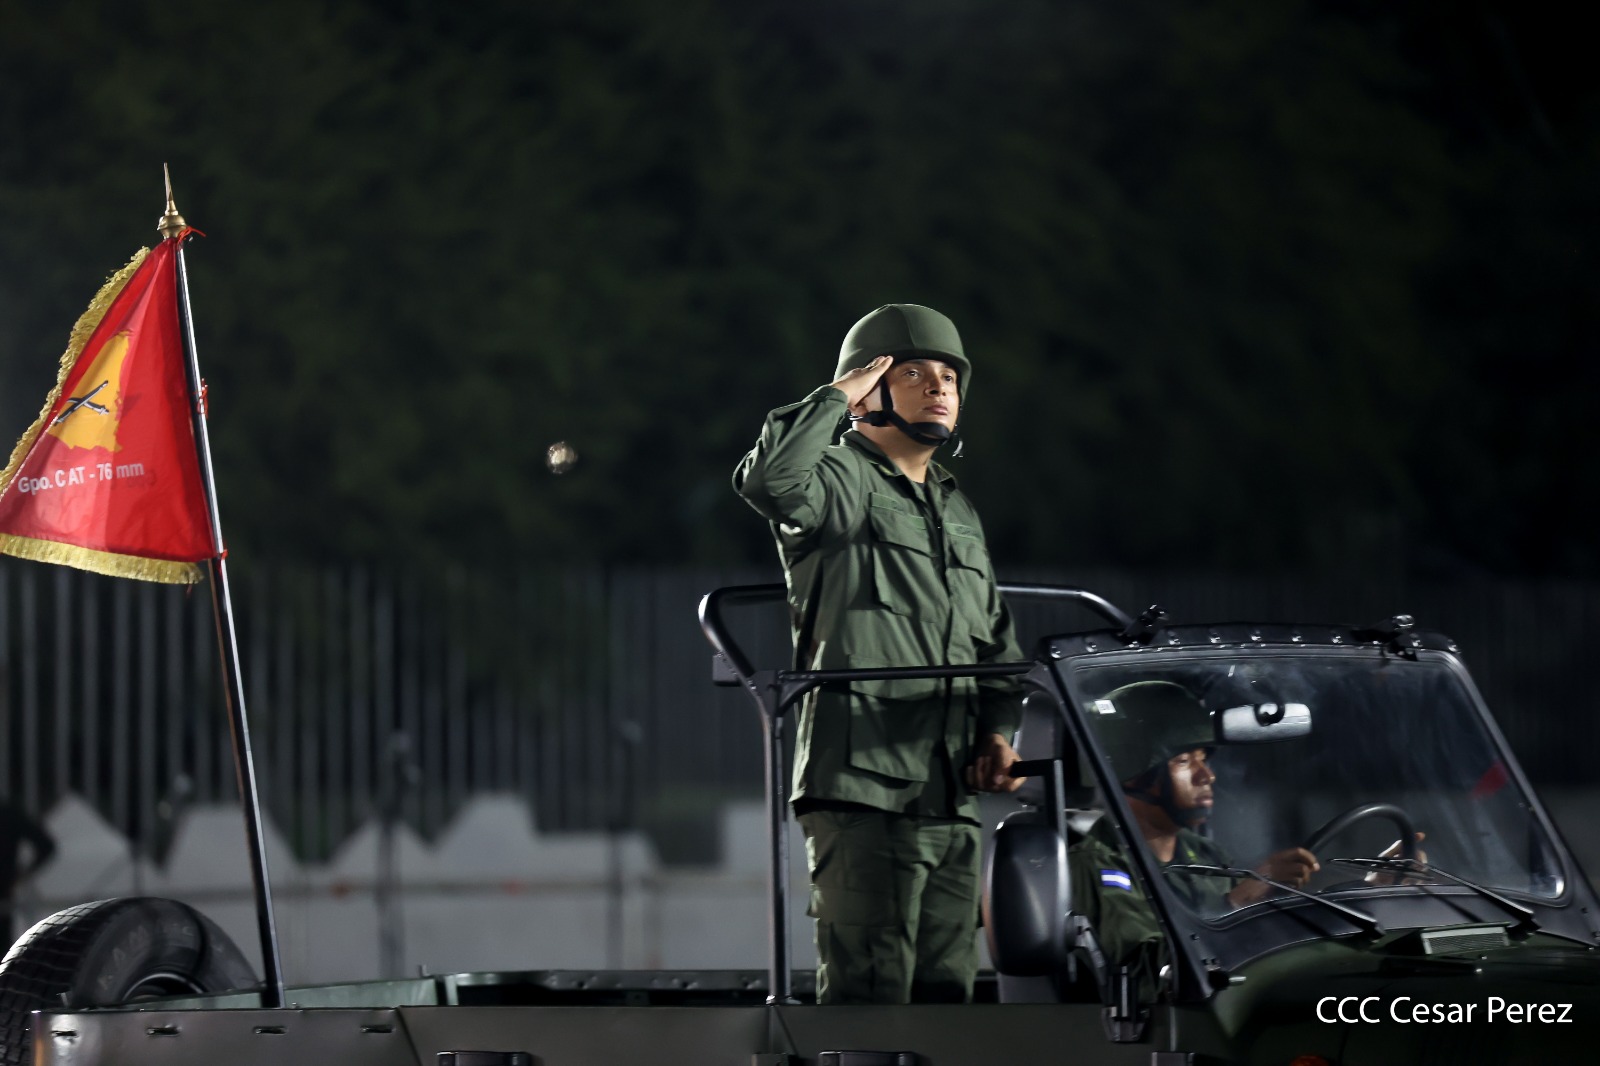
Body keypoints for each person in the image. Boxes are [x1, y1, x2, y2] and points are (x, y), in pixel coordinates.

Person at [733, 303, 1024, 1005]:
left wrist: (997, 731)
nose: (939, 387)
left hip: (950, 793)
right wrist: (838, 396)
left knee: (947, 1004)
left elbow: (994, 640)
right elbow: (770, 480)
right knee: (869, 1005)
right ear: (869, 390)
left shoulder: (956, 508)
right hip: (862, 788)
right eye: (913, 373)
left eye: (949, 376)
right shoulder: (840, 478)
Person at [0, 797, 56, 946]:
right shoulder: (9, 813)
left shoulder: (8, 813)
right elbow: (46, 845)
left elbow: (46, 846)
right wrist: (22, 875)